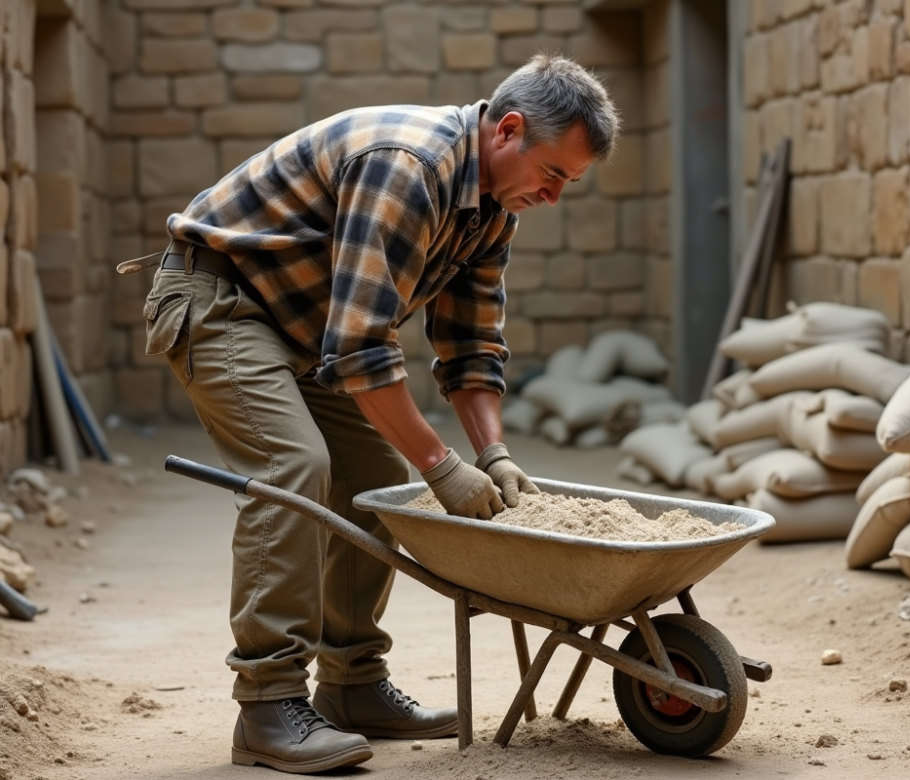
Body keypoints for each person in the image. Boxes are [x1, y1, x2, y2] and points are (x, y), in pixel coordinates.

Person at [127, 54, 620, 774]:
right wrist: (442, 466)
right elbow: (362, 348)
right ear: (508, 130)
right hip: (219, 303)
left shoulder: (489, 208)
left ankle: (351, 685)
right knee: (294, 465)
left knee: (374, 478)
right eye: (553, 175)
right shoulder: (408, 165)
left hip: (304, 327)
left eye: (567, 185)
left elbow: (471, 345)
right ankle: (267, 707)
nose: (554, 196)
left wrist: (493, 455)